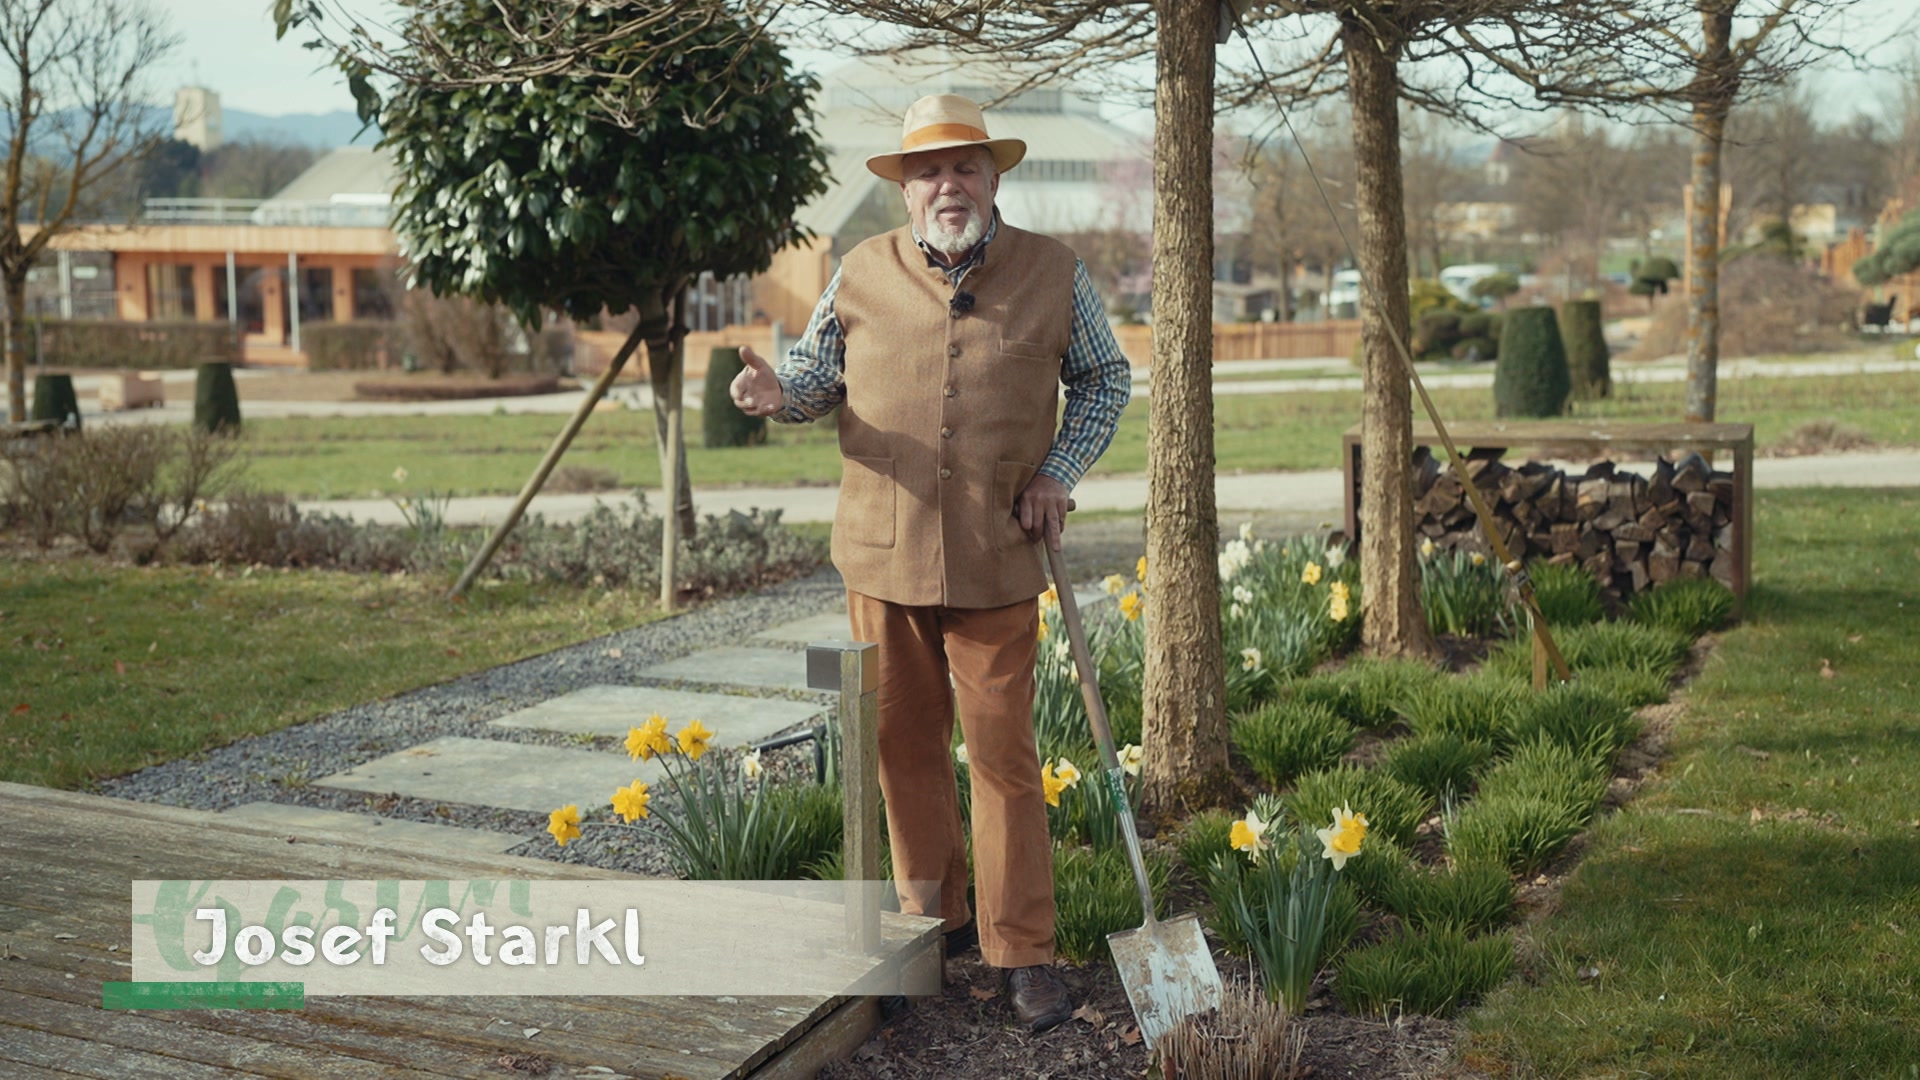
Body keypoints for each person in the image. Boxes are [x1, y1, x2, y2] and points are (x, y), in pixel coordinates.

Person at [730, 93, 1130, 1033]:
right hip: (883, 554)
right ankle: (930, 924)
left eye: (964, 167)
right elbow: (817, 378)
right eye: (929, 172)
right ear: (905, 191)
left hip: (999, 555)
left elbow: (1106, 378)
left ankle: (1023, 951)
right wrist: (777, 393)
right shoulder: (860, 270)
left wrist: (1058, 472)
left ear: (993, 179)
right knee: (901, 746)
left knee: (1003, 757)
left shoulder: (1056, 272)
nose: (948, 185)